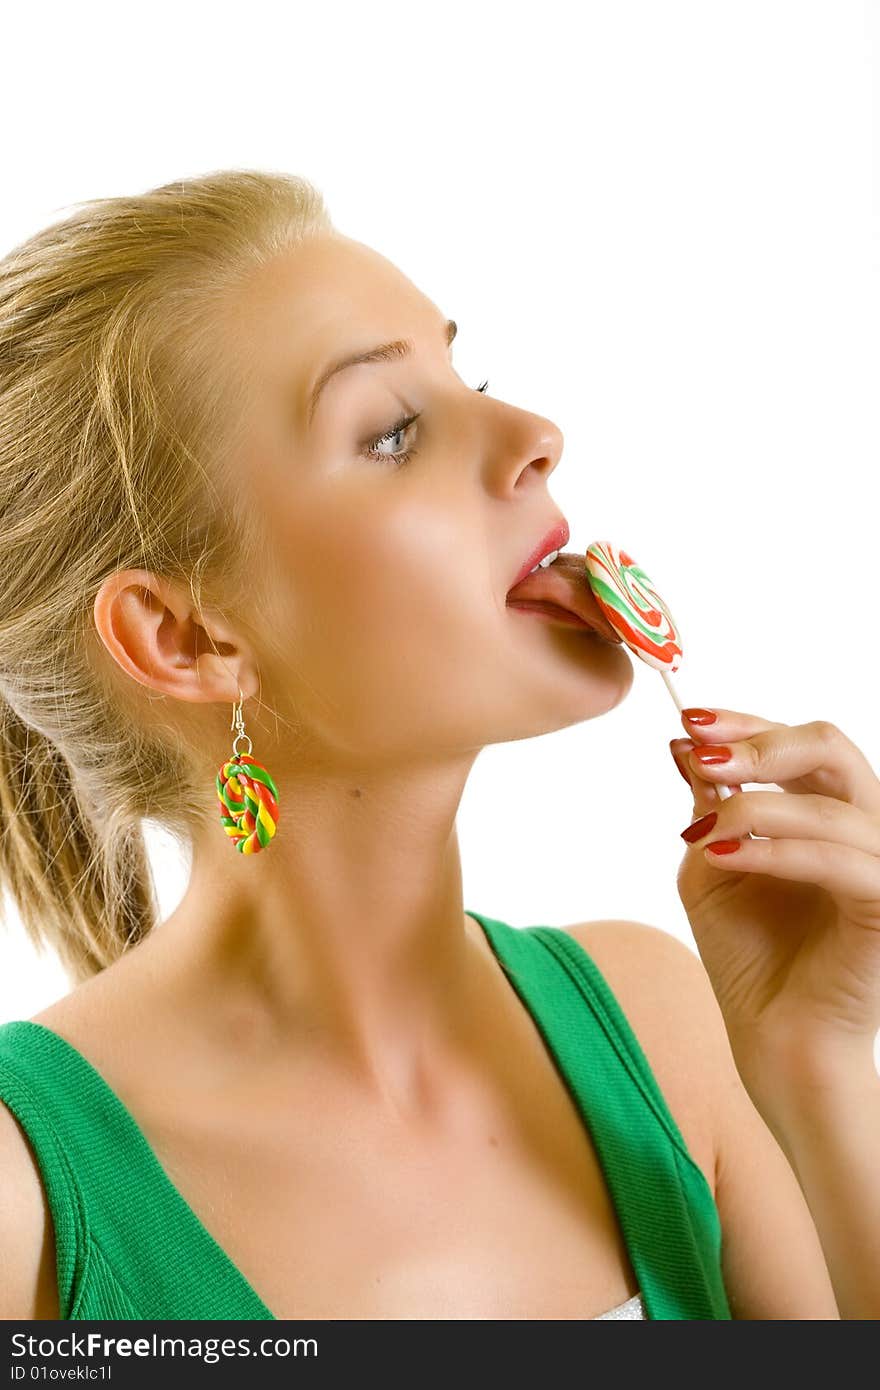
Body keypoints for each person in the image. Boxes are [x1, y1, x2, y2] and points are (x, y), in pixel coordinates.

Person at [0, 170, 858, 1320]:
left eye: (472, 376)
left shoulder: (655, 1023)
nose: (534, 436)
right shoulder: (32, 1196)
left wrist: (810, 1065)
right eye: (394, 433)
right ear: (188, 636)